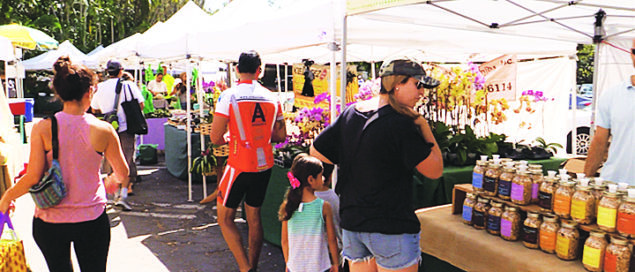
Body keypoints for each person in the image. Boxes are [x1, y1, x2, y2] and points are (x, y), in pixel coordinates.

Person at [310, 59, 444, 272]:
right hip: (390, 226)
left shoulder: (352, 112)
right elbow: (435, 170)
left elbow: (317, 151)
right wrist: (424, 126)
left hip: (354, 222)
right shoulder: (401, 123)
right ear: (397, 83)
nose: (422, 93)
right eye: (418, 85)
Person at [0, 56, 129, 271]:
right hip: (91, 219)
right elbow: (123, 174)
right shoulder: (104, 130)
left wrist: (7, 197)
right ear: (90, 91)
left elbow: (32, 177)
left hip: (49, 222)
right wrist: (110, 182)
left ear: (59, 93)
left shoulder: (43, 128)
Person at [209, 50, 287, 272]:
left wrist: (230, 136)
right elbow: (281, 136)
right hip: (264, 165)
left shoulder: (228, 96)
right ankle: (252, 265)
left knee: (224, 219)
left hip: (239, 164)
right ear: (259, 71)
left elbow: (215, 138)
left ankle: (246, 269)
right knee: (254, 217)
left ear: (236, 70)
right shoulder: (273, 97)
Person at [91, 59, 144, 211]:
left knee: (109, 161)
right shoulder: (128, 85)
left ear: (108, 72)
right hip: (126, 128)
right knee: (126, 160)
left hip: (108, 128)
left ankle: (113, 194)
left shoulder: (99, 87)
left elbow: (95, 109)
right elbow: (141, 104)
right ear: (121, 71)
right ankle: (123, 195)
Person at [584, 39, 635, 184]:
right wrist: (585, 181)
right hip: (614, 185)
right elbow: (599, 142)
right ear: (631, 54)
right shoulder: (612, 95)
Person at [279, 154, 340, 272]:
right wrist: (335, 263)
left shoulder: (289, 205)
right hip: (320, 266)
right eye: (320, 176)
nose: (323, 179)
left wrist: (288, 262)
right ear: (311, 179)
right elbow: (332, 239)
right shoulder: (324, 206)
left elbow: (285, 240)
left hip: (295, 266)